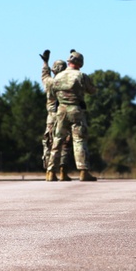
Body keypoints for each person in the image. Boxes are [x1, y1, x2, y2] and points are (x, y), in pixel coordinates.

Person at [50, 49, 98, 181]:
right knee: (79, 140)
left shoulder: (58, 76)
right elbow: (92, 90)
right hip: (75, 110)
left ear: (69, 62)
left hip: (61, 110)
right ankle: (83, 171)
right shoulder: (81, 75)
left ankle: (51, 172)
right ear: (80, 63)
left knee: (57, 140)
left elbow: (52, 92)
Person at [40, 50, 72, 181]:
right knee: (65, 143)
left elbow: (44, 75)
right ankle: (63, 171)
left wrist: (45, 63)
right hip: (65, 114)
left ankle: (50, 172)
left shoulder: (50, 83)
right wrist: (73, 58)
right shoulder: (68, 82)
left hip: (52, 117)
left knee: (49, 143)